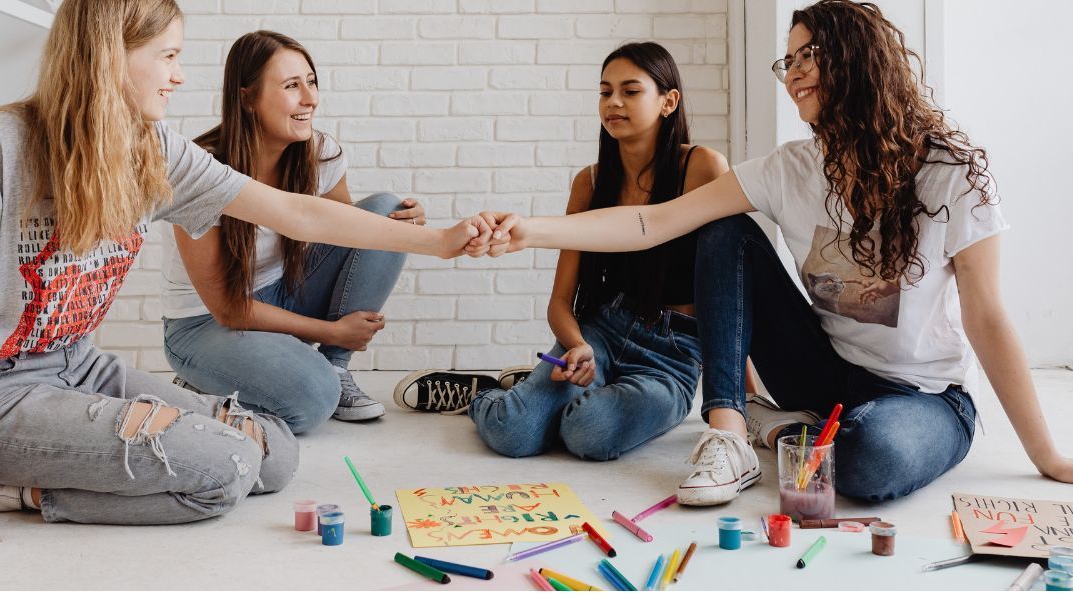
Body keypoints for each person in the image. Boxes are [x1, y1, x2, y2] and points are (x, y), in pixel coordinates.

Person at [0, 0, 491, 548]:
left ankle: (66, 463)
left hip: (81, 364)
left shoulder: (153, 148)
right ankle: (7, 488)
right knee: (225, 468)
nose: (180, 75)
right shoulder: (0, 145)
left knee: (276, 453)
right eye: (168, 56)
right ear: (110, 53)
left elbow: (297, 213)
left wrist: (441, 242)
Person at [479, 0, 1073, 504]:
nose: (793, 74)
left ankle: (796, 429)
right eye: (788, 61)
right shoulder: (790, 168)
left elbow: (986, 316)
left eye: (807, 55)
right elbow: (651, 223)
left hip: (921, 395)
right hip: (822, 371)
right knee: (724, 231)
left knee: (867, 460)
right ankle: (731, 434)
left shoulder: (952, 173)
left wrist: (1046, 455)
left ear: (859, 58)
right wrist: (529, 230)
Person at [394, 43, 753, 464]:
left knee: (588, 432)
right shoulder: (590, 183)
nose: (613, 102)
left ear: (668, 101)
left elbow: (733, 293)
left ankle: (531, 390)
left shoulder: (703, 167)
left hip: (671, 358)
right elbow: (561, 302)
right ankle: (488, 395)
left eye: (630, 91)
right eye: (605, 92)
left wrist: (746, 400)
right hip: (601, 333)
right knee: (512, 431)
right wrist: (577, 345)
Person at [161, 31, 427, 429]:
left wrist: (406, 227)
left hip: (283, 292)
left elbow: (351, 238)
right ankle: (207, 381)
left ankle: (335, 368)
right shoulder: (200, 171)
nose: (310, 98)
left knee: (385, 213)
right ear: (248, 98)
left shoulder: (320, 154)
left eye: (311, 82)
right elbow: (228, 308)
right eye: (291, 86)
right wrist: (332, 330)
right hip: (205, 323)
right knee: (312, 399)